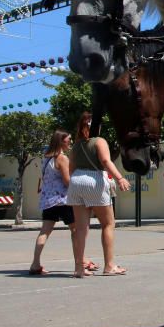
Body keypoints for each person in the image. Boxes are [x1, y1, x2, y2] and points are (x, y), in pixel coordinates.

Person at [67, 111, 132, 277]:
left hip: (76, 181)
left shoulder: (75, 145)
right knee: (108, 224)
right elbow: (105, 161)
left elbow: (71, 168)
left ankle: (79, 268)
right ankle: (109, 265)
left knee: (81, 228)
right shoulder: (99, 141)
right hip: (95, 180)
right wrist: (120, 178)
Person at [29, 130, 96, 275]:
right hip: (64, 200)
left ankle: (35, 263)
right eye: (68, 140)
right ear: (61, 141)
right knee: (76, 231)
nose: (70, 142)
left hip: (49, 200)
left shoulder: (46, 158)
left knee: (44, 231)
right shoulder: (62, 158)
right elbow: (67, 181)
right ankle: (79, 266)